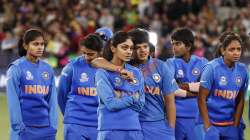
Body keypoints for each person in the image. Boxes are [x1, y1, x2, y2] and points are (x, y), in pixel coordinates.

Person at [6, 28, 58, 140]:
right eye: (35, 44)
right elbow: (13, 101)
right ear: (25, 46)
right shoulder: (16, 68)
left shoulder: (47, 69)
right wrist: (19, 128)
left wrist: (53, 126)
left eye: (42, 44)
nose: (40, 47)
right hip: (24, 129)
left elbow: (52, 101)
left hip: (46, 129)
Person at [95, 31, 145, 140]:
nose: (129, 52)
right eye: (124, 47)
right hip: (110, 130)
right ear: (113, 48)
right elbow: (111, 104)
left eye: (131, 48)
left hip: (134, 130)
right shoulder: (102, 73)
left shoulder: (136, 72)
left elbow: (141, 104)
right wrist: (133, 97)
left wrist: (121, 95)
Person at [198, 32, 249, 140]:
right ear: (223, 50)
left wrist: (235, 125)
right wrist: (208, 127)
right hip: (212, 124)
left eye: (238, 49)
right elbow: (201, 98)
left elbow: (240, 100)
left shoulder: (243, 70)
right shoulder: (211, 68)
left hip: (230, 125)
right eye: (232, 49)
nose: (236, 53)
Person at [58, 34, 104, 140]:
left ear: (100, 51)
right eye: (84, 53)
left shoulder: (107, 69)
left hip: (99, 125)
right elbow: (61, 95)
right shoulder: (71, 67)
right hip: (75, 123)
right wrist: (71, 117)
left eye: (91, 54)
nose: (87, 57)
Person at [166, 28, 208, 140]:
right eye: (173, 44)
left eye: (178, 44)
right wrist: (195, 92)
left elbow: (208, 86)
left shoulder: (202, 62)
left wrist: (183, 85)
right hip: (176, 118)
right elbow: (170, 88)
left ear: (188, 46)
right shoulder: (170, 63)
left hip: (198, 118)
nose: (174, 47)